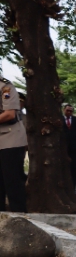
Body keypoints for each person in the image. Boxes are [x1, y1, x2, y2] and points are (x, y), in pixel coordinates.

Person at [0, 77, 27, 212]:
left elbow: (10, 114)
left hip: (10, 138)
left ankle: (21, 218)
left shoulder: (5, 87)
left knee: (13, 182)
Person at [62, 104, 76, 189]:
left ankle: (72, 188)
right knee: (63, 169)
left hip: (75, 150)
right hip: (63, 149)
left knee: (74, 169)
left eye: (71, 111)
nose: (69, 112)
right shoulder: (60, 119)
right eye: (67, 110)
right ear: (64, 110)